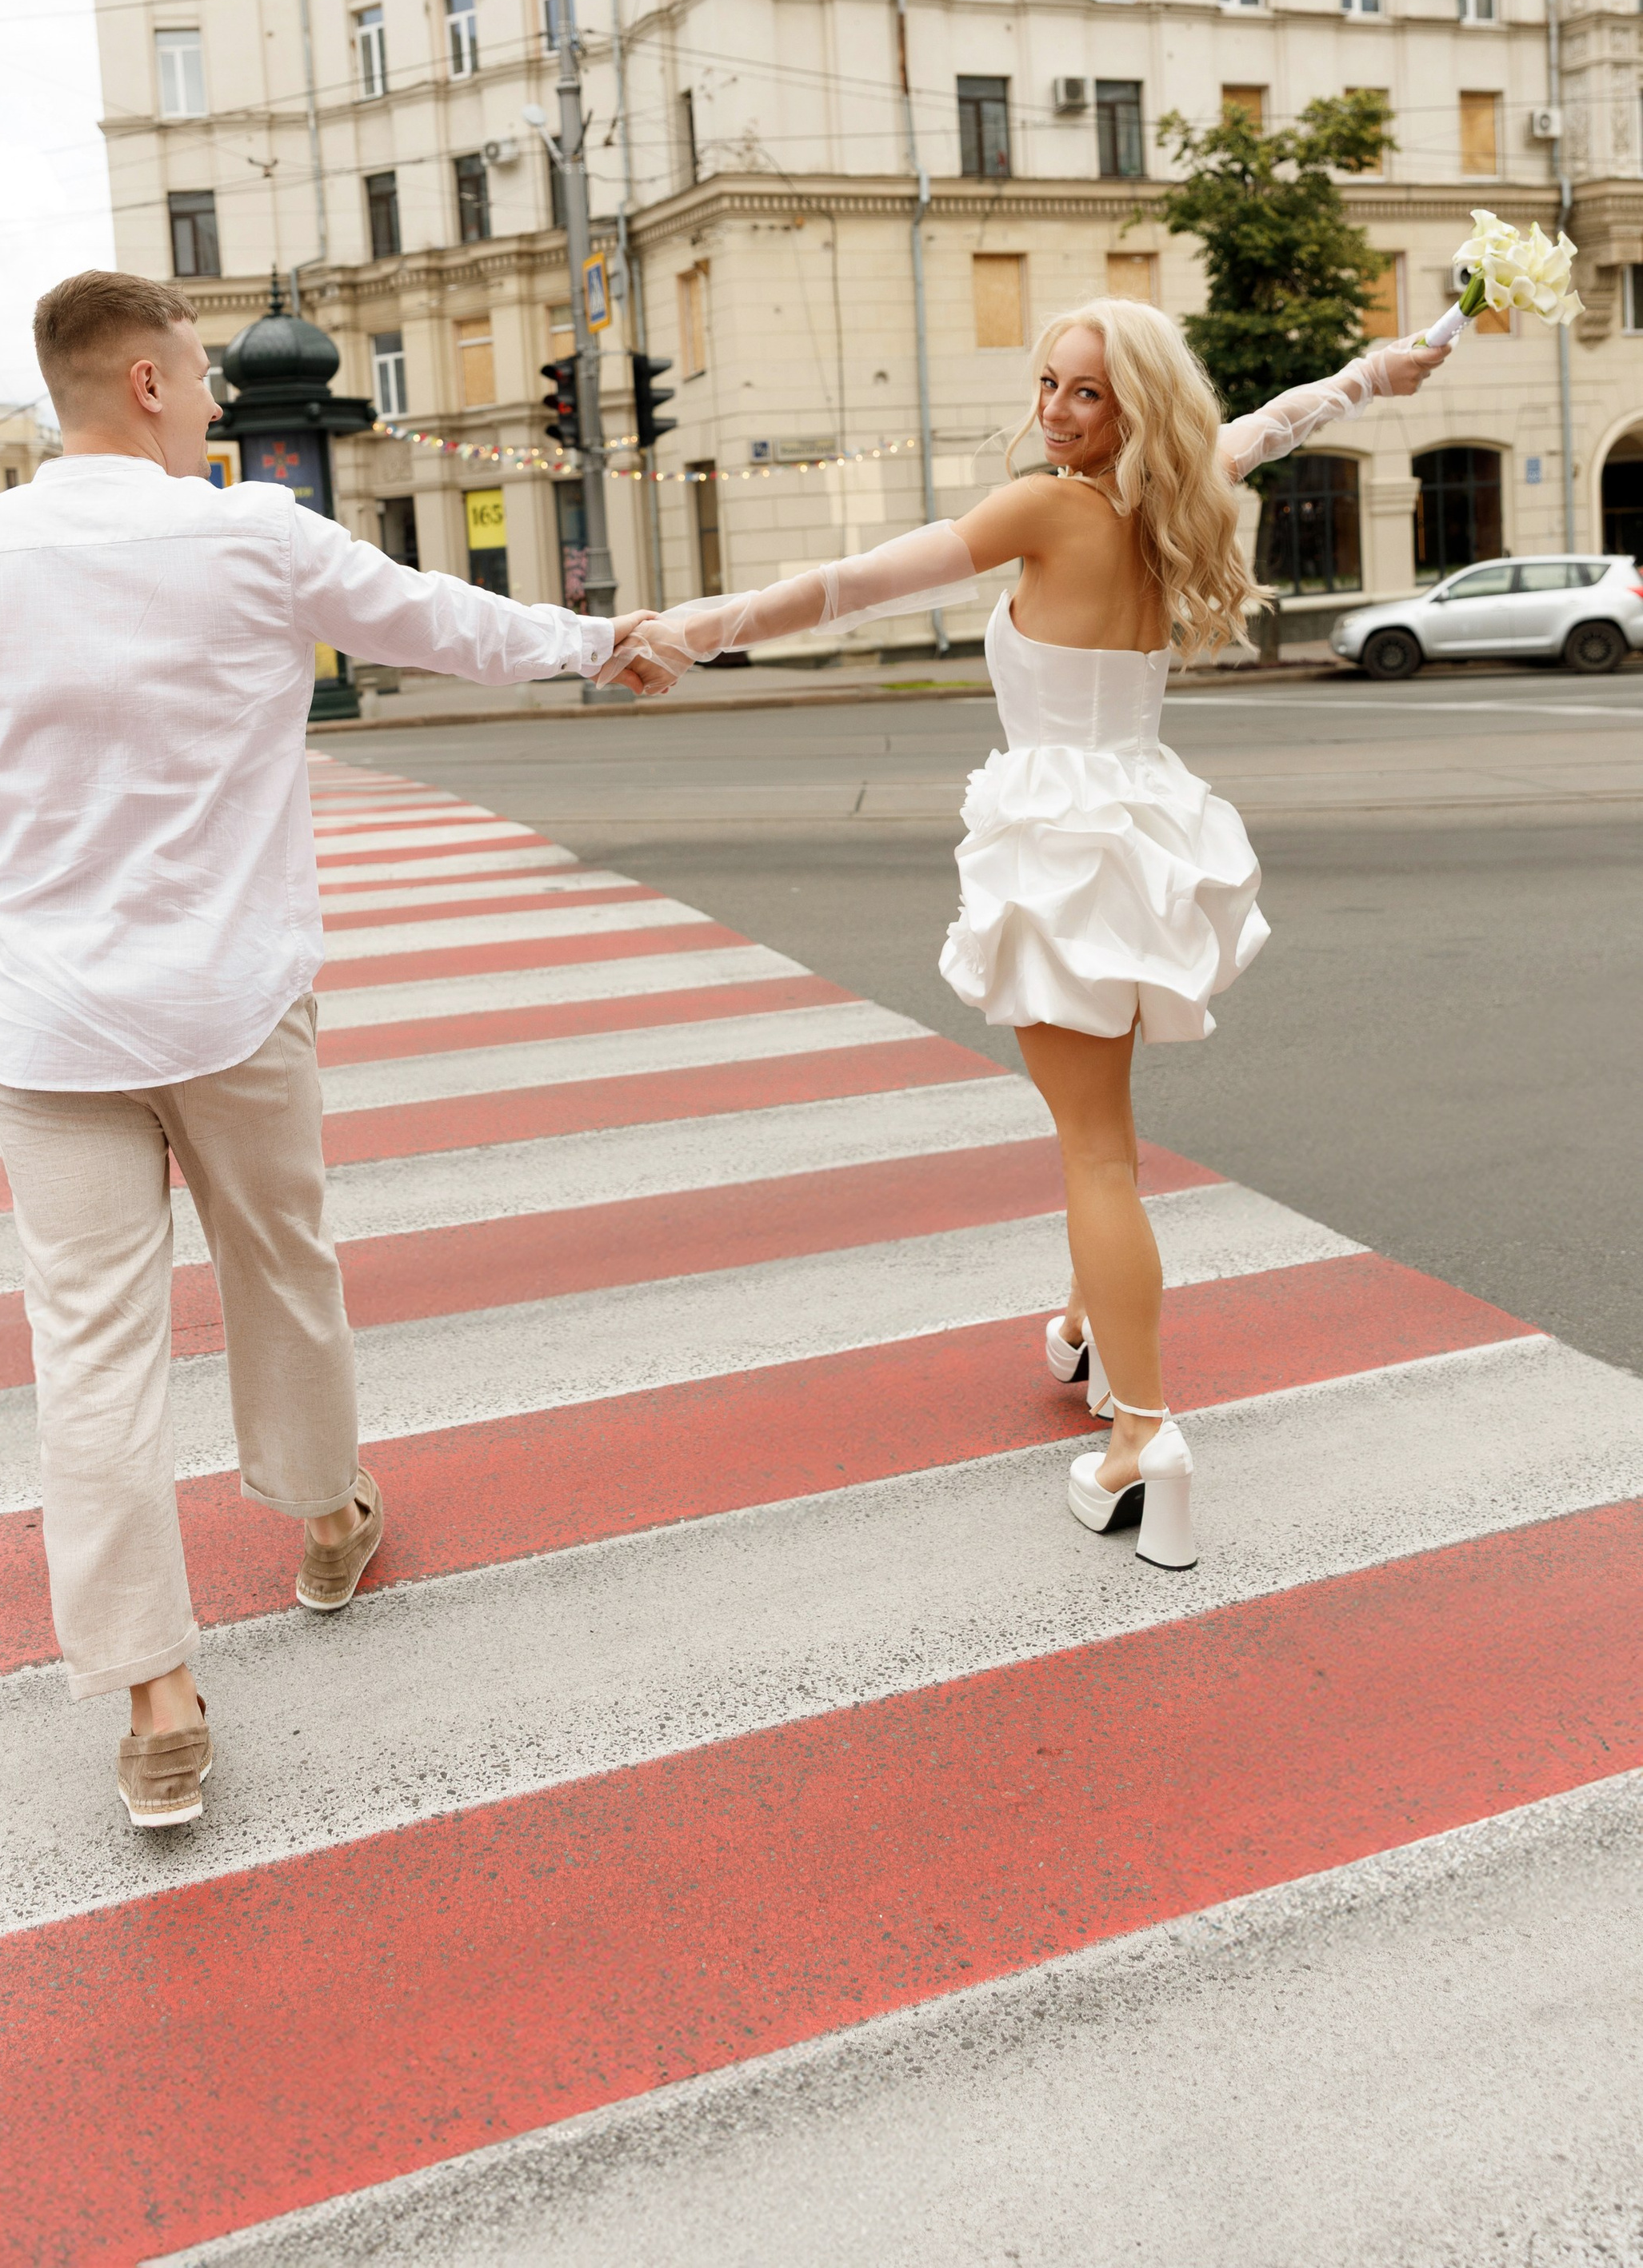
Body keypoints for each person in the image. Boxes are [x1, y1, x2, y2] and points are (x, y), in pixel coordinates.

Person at [0, 270, 651, 1828]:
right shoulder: (246, 535)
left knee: (86, 1356)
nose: (217, 401)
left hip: (44, 1019)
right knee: (282, 1261)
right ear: (152, 383)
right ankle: (323, 1516)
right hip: (230, 996)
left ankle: (155, 1701)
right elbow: (450, 626)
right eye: (199, 370)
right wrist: (609, 645)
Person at [610, 301, 1450, 1571]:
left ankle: (1146, 1440)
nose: (1058, 411)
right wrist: (1376, 376)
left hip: (1065, 846)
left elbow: (851, 585)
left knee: (1096, 1150)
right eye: (1050, 383)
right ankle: (1088, 1327)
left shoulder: (1050, 509)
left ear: (1135, 411)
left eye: (1089, 395)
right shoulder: (1181, 490)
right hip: (1140, 825)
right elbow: (1276, 425)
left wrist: (693, 629)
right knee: (1094, 1129)